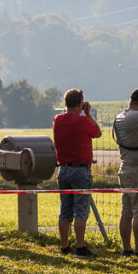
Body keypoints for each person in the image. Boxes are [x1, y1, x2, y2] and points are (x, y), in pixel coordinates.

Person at [52, 88, 102, 257]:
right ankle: (80, 247)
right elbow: (97, 132)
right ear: (81, 104)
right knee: (81, 210)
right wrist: (88, 114)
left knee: (65, 209)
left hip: (63, 169)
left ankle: (64, 245)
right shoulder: (82, 122)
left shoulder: (57, 120)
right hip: (80, 170)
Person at [113, 88, 138, 259]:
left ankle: (126, 248)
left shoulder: (120, 116)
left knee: (126, 211)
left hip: (124, 167)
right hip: (137, 170)